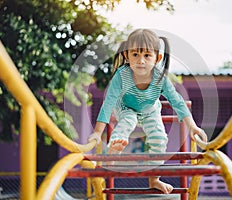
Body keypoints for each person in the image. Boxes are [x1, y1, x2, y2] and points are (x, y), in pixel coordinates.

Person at [88, 29, 207, 194]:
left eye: (147, 55)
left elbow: (177, 102)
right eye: (135, 54)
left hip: (150, 110)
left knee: (159, 138)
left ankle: (154, 179)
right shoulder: (121, 76)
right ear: (127, 56)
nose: (141, 61)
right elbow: (108, 103)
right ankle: (113, 153)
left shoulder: (160, 77)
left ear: (157, 58)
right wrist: (96, 133)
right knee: (128, 121)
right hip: (125, 107)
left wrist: (192, 126)